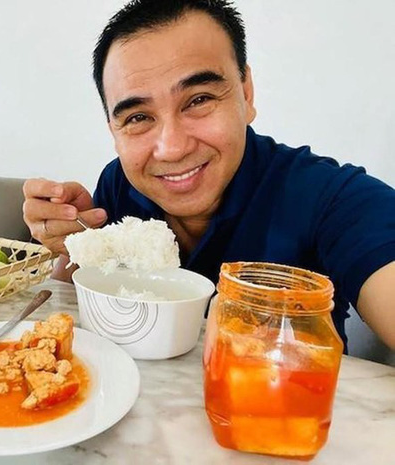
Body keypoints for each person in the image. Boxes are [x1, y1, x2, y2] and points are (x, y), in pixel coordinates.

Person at [22, 0, 395, 350]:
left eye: (199, 99)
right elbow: (69, 315)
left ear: (246, 95)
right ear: (113, 130)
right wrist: (74, 241)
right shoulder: (120, 184)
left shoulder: (333, 199)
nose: (171, 148)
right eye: (138, 117)